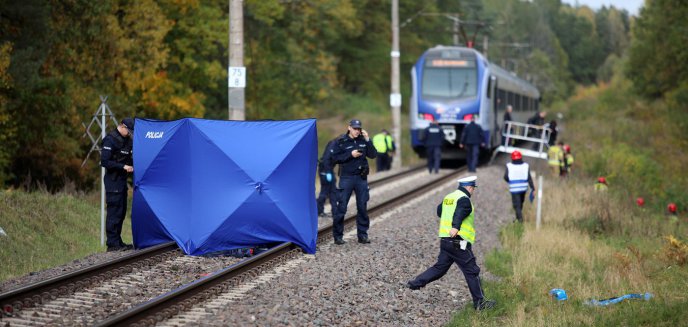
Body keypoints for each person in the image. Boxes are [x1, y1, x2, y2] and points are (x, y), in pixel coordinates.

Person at [406, 176, 496, 311]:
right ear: (469, 187)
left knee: (440, 268)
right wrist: (455, 226)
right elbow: (460, 212)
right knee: (472, 271)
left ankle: (414, 284)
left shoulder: (449, 197)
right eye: (473, 189)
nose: (472, 192)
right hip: (457, 241)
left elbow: (439, 211)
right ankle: (480, 303)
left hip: (445, 241)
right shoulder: (464, 200)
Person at [330, 119, 377, 245]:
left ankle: (362, 235)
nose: (357, 131)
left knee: (362, 207)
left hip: (361, 178)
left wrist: (368, 140)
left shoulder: (363, 140)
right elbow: (335, 159)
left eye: (359, 129)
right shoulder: (341, 141)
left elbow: (373, 155)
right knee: (342, 208)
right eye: (355, 128)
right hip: (346, 178)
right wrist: (350, 154)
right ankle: (338, 236)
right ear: (349, 128)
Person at [101, 118, 135, 252]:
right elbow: (105, 162)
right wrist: (123, 167)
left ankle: (118, 242)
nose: (130, 134)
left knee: (121, 212)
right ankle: (112, 244)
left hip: (121, 182)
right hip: (112, 181)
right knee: (113, 212)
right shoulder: (110, 140)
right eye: (129, 131)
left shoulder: (127, 141)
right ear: (122, 126)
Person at [504, 151, 535, 223]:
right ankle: (518, 218)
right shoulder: (526, 165)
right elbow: (529, 177)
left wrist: (510, 181)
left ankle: (520, 220)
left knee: (516, 205)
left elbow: (505, 177)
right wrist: (533, 187)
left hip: (514, 188)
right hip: (524, 188)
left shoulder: (509, 166)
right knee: (520, 203)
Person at [316, 138, 339, 218]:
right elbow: (326, 159)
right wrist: (328, 173)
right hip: (325, 170)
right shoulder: (333, 145)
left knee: (332, 191)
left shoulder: (337, 145)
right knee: (325, 191)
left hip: (329, 170)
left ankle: (335, 212)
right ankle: (319, 210)